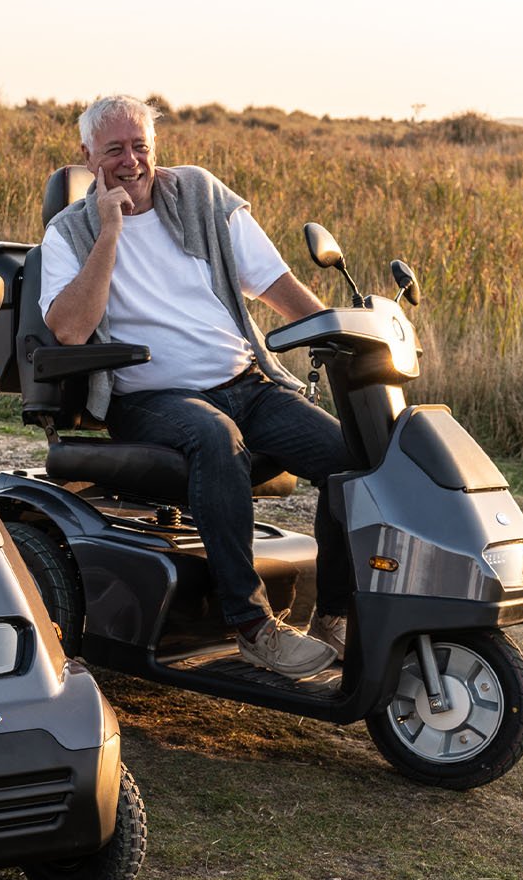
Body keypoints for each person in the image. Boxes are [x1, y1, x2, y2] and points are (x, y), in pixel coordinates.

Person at [39, 94, 354, 681]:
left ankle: (334, 616)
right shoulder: (69, 232)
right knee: (216, 437)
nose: (131, 161)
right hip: (149, 400)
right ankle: (253, 627)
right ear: (85, 154)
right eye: (114, 151)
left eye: (141, 147)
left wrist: (335, 332)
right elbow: (71, 329)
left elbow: (273, 281)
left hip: (246, 381)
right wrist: (110, 232)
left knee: (352, 459)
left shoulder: (202, 196)